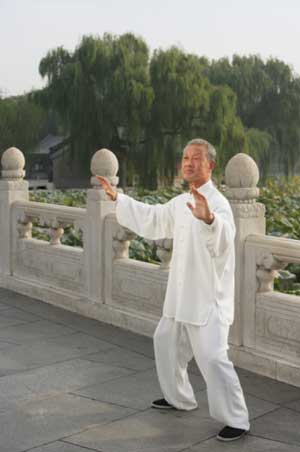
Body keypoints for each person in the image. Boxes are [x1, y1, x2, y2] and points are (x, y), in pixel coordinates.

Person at [96, 138, 250, 442]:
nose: (188, 163)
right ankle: (179, 398)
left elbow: (224, 240)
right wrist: (120, 199)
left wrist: (209, 219)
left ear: (211, 165)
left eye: (196, 158)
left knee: (213, 359)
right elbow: (154, 219)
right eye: (185, 158)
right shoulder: (181, 202)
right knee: (165, 341)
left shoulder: (218, 204)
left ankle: (237, 419)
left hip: (208, 299)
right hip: (180, 295)